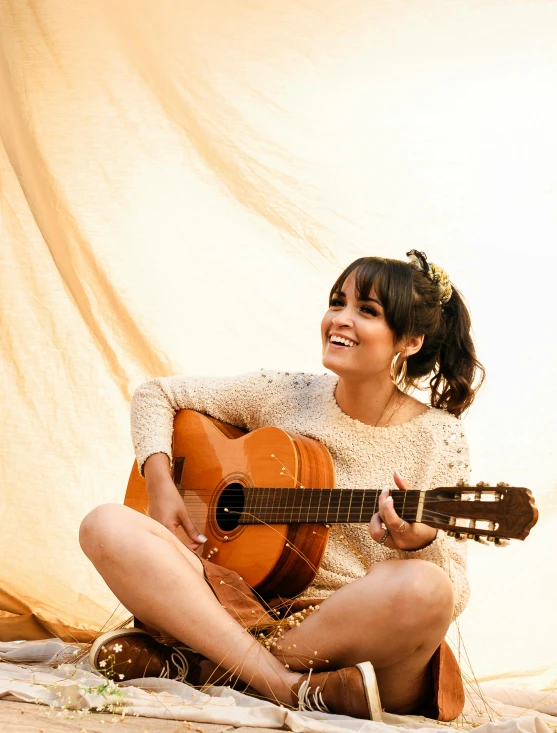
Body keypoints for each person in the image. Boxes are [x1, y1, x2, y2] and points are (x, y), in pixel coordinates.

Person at [79, 251, 484, 721]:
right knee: (105, 524)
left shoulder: (439, 437)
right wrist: (160, 479)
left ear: (410, 342)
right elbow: (158, 394)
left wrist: (423, 542)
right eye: (338, 303)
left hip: (344, 631)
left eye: (366, 311)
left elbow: (455, 587)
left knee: (427, 588)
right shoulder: (286, 392)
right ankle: (284, 686)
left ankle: (203, 660)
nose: (341, 320)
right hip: (246, 605)